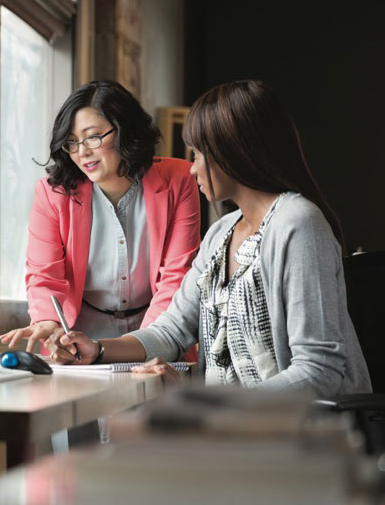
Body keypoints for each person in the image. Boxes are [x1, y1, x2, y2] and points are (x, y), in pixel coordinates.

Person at [45, 80, 371, 397]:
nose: (192, 168)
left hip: (298, 437)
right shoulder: (220, 234)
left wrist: (210, 405)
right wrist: (98, 350)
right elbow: (171, 331)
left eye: (199, 154)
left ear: (235, 151)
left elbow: (319, 370)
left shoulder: (298, 224)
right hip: (231, 433)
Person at [0, 80, 200, 363]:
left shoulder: (179, 179)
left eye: (92, 137)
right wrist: (48, 321)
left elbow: (177, 277)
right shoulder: (52, 193)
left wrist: (146, 344)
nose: (82, 152)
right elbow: (44, 276)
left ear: (124, 131)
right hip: (80, 342)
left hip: (157, 331)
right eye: (71, 142)